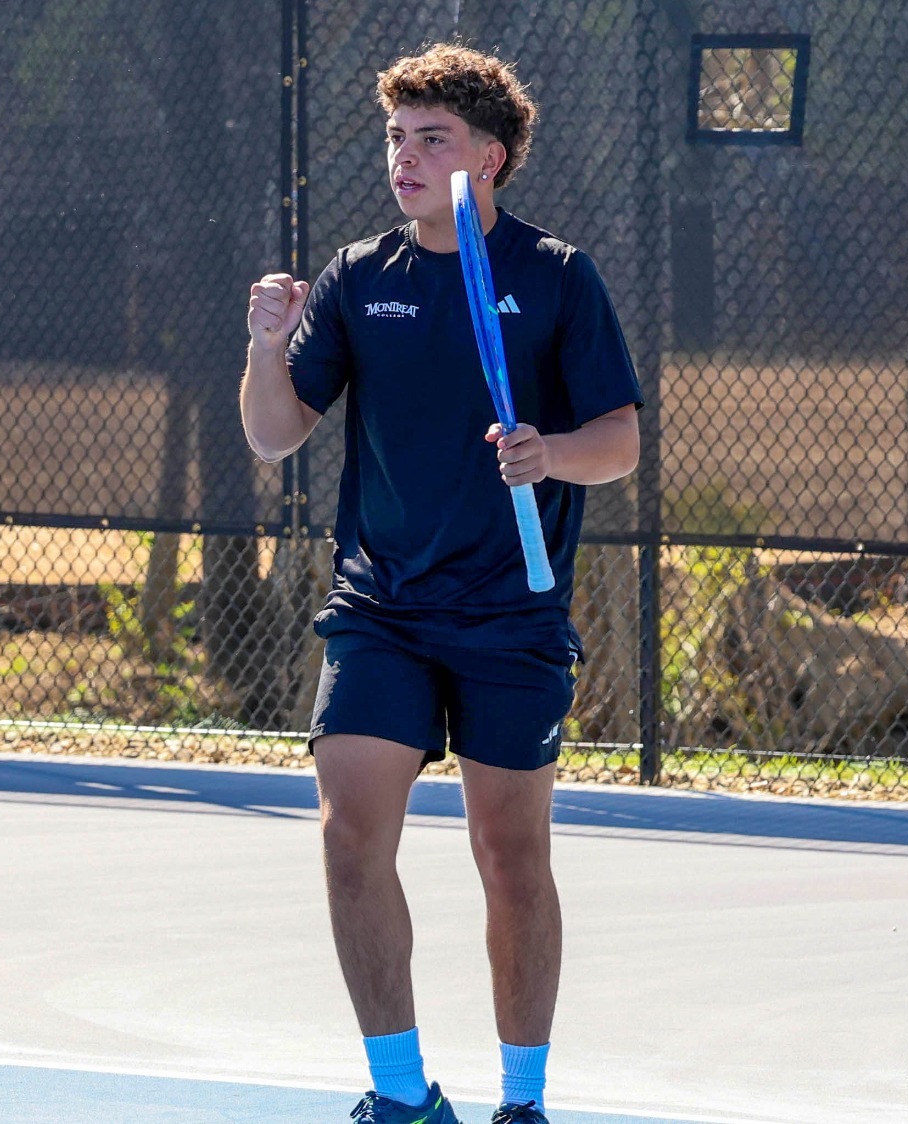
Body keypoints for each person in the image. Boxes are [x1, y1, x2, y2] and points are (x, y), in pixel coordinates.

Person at [238, 42, 642, 1124]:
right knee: (346, 833)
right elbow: (275, 434)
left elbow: (620, 440)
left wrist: (549, 454)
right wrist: (266, 346)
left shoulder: (555, 276)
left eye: (432, 140)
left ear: (489, 159)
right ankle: (402, 1091)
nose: (404, 159)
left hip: (511, 614)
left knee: (510, 859)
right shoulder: (358, 281)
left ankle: (521, 1100)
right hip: (382, 609)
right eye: (396, 139)